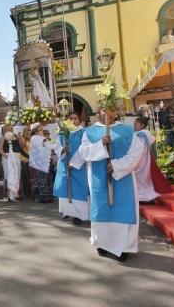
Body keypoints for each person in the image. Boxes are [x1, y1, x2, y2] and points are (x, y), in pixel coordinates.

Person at [70, 107, 143, 262]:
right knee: (101, 209)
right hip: (98, 178)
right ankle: (101, 243)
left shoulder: (127, 131)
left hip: (123, 178)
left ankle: (124, 248)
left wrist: (117, 165)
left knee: (122, 210)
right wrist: (100, 145)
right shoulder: (89, 131)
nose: (109, 113)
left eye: (112, 110)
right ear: (99, 112)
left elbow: (136, 152)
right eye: (105, 110)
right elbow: (83, 152)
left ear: (116, 113)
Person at [53, 113, 89, 224]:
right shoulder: (62, 132)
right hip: (64, 163)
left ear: (80, 120)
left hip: (79, 166)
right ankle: (67, 211)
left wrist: (74, 162)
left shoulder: (83, 132)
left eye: (75, 118)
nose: (73, 120)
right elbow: (57, 146)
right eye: (71, 118)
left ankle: (78, 216)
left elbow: (85, 148)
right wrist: (62, 150)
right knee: (64, 188)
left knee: (78, 190)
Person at [134, 117, 161, 203]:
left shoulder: (141, 134)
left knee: (139, 177)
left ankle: (144, 197)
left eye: (136, 124)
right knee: (144, 178)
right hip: (145, 158)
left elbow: (139, 148)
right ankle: (147, 196)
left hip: (140, 158)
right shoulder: (145, 133)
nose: (134, 126)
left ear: (142, 125)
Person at [30, 126, 56, 203]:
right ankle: (43, 198)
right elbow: (45, 146)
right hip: (40, 162)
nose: (42, 131)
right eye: (40, 130)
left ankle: (49, 197)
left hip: (46, 161)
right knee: (42, 180)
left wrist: (58, 144)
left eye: (42, 129)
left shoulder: (43, 138)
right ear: (36, 132)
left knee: (48, 179)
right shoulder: (34, 138)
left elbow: (49, 145)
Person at [2, 130, 28, 202]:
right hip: (10, 162)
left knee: (17, 177)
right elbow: (2, 150)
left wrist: (30, 157)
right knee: (11, 177)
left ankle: (16, 195)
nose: (13, 137)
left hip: (17, 163)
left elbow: (23, 151)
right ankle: (11, 196)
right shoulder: (6, 145)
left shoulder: (17, 145)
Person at [19, 127, 31, 199]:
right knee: (25, 177)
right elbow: (21, 149)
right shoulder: (22, 139)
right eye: (28, 131)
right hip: (24, 160)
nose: (30, 132)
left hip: (29, 160)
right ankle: (26, 192)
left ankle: (29, 191)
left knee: (28, 177)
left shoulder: (29, 139)